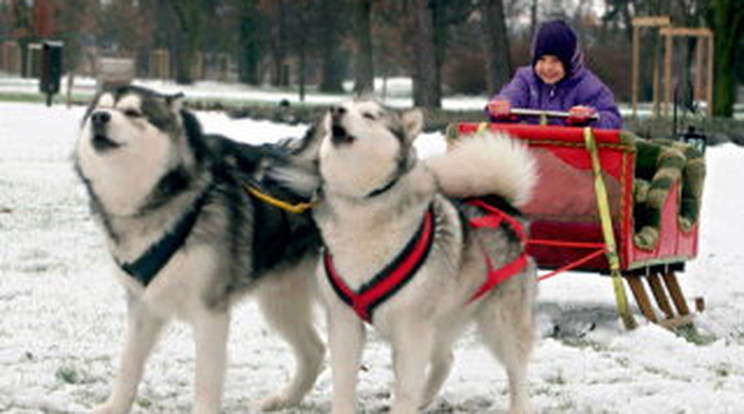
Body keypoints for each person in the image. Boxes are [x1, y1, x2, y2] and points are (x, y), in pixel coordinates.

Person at [486, 20, 622, 129]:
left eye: (555, 61)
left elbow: (613, 119)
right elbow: (512, 95)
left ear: (570, 62)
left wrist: (591, 118)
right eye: (541, 60)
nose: (547, 68)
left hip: (575, 156)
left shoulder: (588, 86)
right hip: (535, 152)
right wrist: (503, 106)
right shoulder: (526, 80)